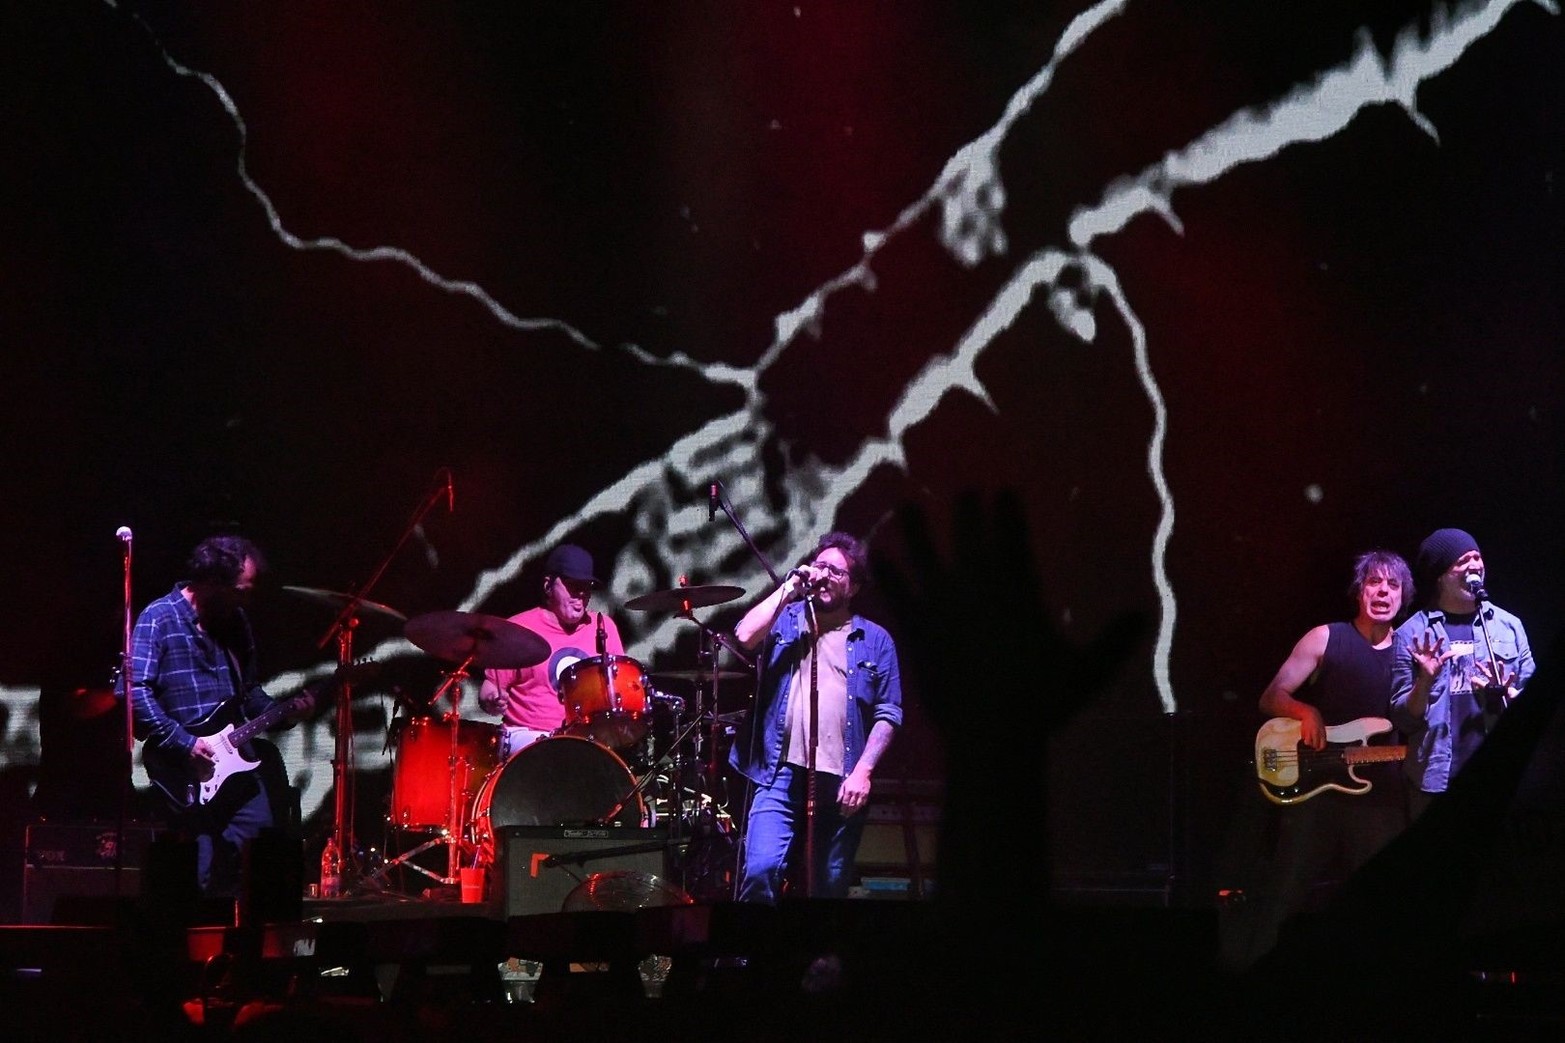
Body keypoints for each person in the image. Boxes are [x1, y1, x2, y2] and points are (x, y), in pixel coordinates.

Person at [1236, 549, 1413, 969]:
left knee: (1381, 906)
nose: (1383, 592)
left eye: (1393, 585)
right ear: (1359, 590)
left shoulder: (1411, 648)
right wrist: (1304, 711)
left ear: (1404, 596)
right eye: (1374, 582)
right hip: (1318, 794)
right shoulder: (1325, 637)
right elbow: (1271, 696)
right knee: (1283, 897)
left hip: (1380, 800)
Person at [129, 534, 313, 897]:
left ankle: (241, 938)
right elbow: (135, 693)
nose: (246, 599)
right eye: (240, 590)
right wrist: (185, 743)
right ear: (211, 582)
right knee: (195, 869)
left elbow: (249, 693)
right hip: (183, 767)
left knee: (254, 858)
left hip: (236, 764)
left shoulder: (235, 622)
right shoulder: (159, 618)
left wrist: (288, 713)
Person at [728, 531, 902, 902]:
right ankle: (751, 955)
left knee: (830, 887)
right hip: (780, 773)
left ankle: (816, 959)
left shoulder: (875, 640)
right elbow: (743, 635)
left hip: (842, 780)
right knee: (760, 871)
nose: (823, 575)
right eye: (819, 566)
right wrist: (790, 587)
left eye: (835, 572)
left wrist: (864, 771)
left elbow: (889, 712)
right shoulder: (788, 619)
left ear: (853, 587)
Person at [1391, 527, 1535, 820]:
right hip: (1434, 780)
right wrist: (1425, 681)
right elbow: (1403, 719)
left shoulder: (1509, 626)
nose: (1474, 565)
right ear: (1441, 575)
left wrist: (1509, 694)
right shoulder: (1411, 634)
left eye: (1477, 557)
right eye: (1462, 560)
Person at [477, 542, 627, 759]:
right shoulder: (518, 629)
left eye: (586, 587)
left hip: (584, 739)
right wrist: (492, 699)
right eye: (572, 586)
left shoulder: (603, 628)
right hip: (527, 738)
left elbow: (619, 688)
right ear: (548, 586)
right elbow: (488, 690)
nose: (581, 595)